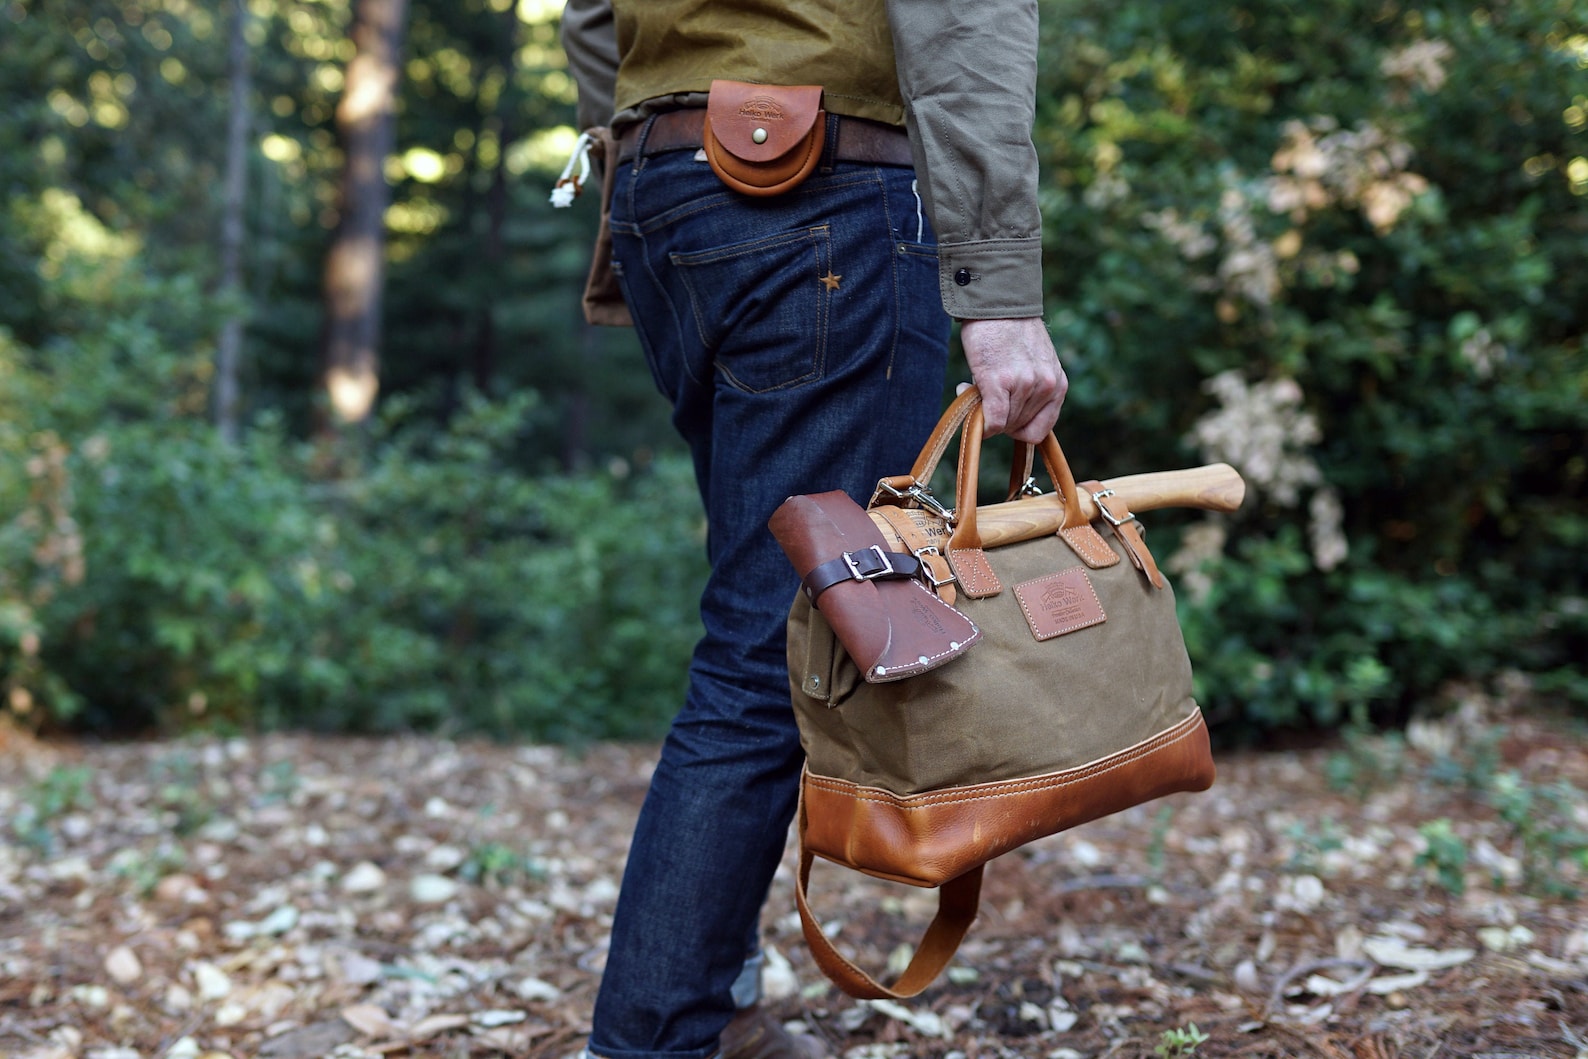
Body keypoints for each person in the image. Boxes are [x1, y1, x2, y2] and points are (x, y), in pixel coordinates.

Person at [557, 2, 1066, 1056]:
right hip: (825, 195)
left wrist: (659, 151)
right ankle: (650, 1038)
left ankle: (719, 1001)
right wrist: (1001, 292)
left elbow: (592, 16)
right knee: (772, 652)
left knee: (765, 624)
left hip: (664, 188)